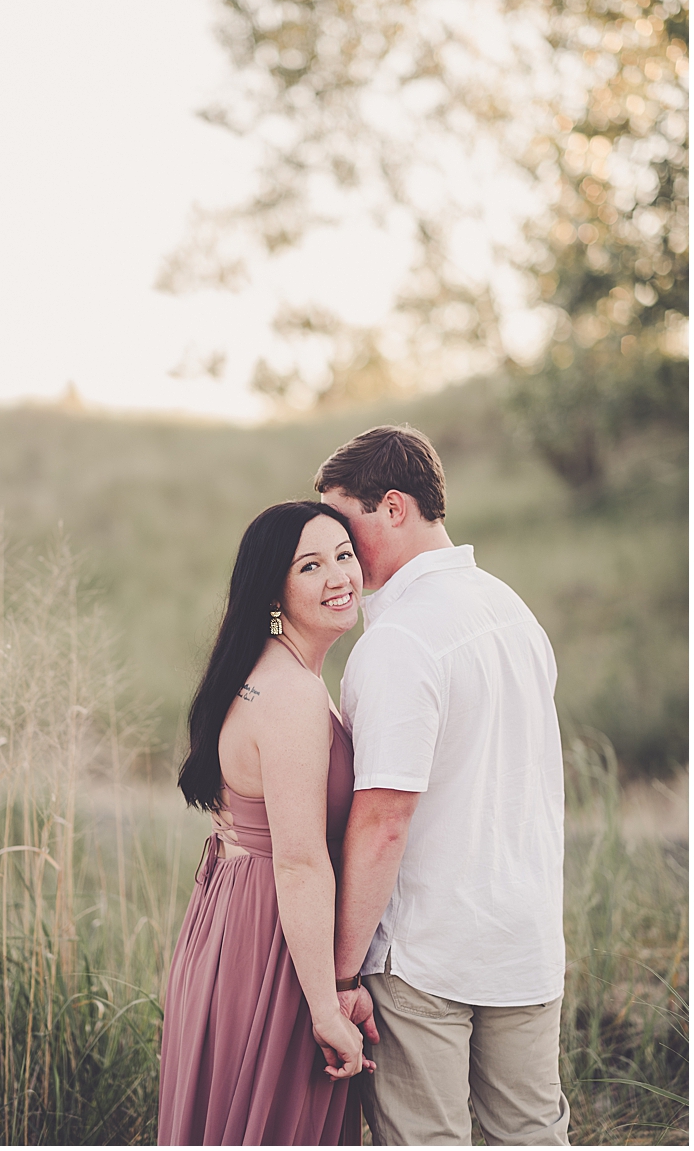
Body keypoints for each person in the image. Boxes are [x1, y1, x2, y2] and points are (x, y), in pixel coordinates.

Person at [318, 425, 569, 1146]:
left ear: (393, 508)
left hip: (424, 953)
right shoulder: (510, 609)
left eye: (345, 522)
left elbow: (384, 821)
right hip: (524, 939)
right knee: (529, 1134)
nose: (337, 547)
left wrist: (341, 974)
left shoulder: (398, 640)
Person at [157, 500, 376, 1145]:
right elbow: (301, 860)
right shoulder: (289, 695)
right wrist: (328, 1005)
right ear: (274, 591)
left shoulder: (272, 676)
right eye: (311, 565)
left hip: (239, 918)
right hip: (274, 939)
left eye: (344, 555)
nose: (340, 576)